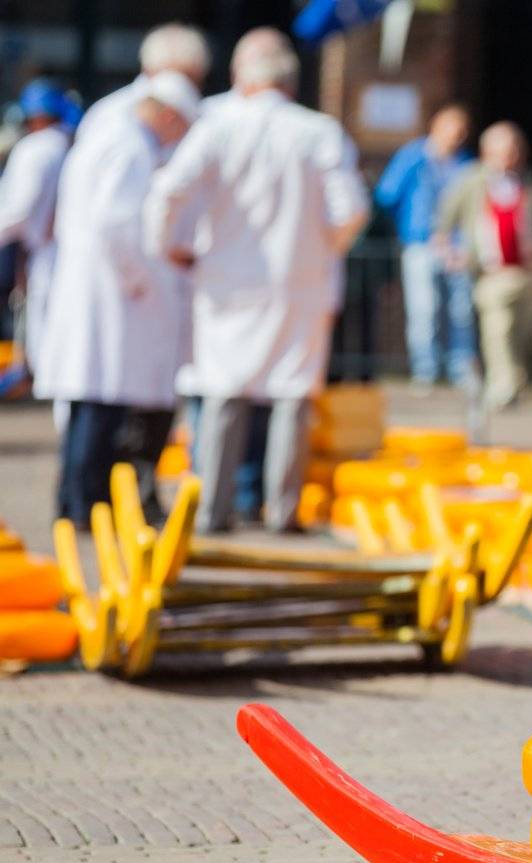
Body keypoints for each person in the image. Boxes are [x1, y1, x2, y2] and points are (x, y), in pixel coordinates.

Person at [147, 28, 369, 534]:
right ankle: (282, 512)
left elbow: (169, 189)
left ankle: (211, 509)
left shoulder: (218, 126)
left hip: (226, 281)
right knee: (291, 395)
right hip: (299, 282)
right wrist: (320, 249)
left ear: (242, 81)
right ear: (290, 83)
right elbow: (351, 208)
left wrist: (170, 248)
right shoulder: (318, 131)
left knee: (225, 393)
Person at [35, 74, 198, 529]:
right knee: (99, 410)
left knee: (91, 405)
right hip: (108, 293)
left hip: (95, 288)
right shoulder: (130, 146)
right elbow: (114, 224)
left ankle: (77, 504)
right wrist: (141, 278)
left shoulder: (109, 134)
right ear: (168, 116)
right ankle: (86, 508)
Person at [436, 121, 532, 410]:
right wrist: (451, 253)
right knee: (498, 328)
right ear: (486, 152)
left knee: (525, 332)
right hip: (491, 272)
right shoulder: (470, 181)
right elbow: (443, 223)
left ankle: (518, 382)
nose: (510, 156)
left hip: (529, 271)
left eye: (515, 149)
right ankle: (502, 386)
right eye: (503, 150)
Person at [373, 104, 476, 391]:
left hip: (457, 245)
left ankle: (460, 369)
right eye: (452, 131)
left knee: (460, 309)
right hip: (420, 243)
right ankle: (425, 369)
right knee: (424, 308)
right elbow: (387, 195)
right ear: (435, 128)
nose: (457, 137)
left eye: (461, 132)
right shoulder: (413, 157)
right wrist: (409, 227)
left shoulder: (466, 163)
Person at [0, 80, 77, 382]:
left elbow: (20, 208)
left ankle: (48, 383)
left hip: (46, 249)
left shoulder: (38, 148)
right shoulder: (68, 142)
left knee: (45, 324)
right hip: (56, 248)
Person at [75, 23, 210, 146]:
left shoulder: (199, 116)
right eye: (182, 79)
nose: (188, 90)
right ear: (150, 70)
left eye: (195, 81)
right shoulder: (113, 114)